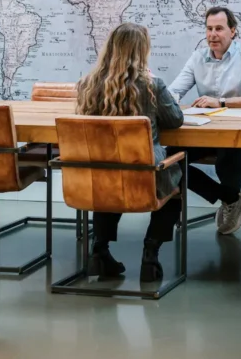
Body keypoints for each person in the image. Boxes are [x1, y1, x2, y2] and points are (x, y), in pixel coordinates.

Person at [76, 22, 185, 282]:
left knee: (110, 177)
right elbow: (175, 120)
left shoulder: (88, 84)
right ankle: (150, 253)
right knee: (177, 183)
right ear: (142, 51)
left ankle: (99, 251)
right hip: (146, 173)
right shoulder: (151, 85)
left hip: (102, 176)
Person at [168, 6, 241, 235]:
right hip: (206, 131)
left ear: (233, 31)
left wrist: (222, 102)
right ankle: (230, 199)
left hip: (240, 133)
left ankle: (230, 200)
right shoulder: (198, 57)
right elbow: (173, 92)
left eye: (219, 28)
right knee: (170, 159)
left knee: (228, 156)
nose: (212, 34)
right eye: (208, 29)